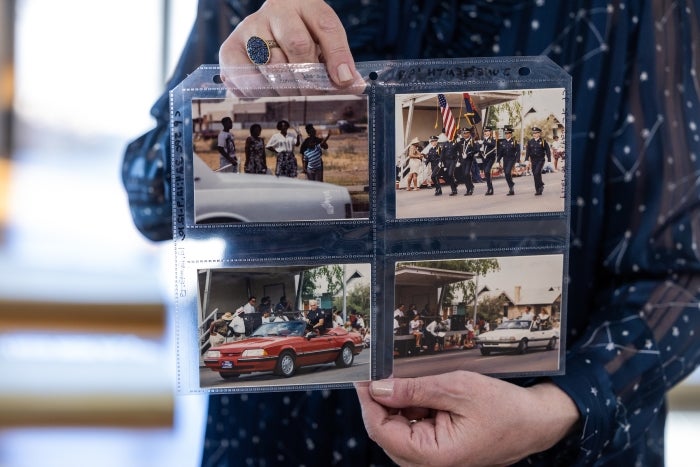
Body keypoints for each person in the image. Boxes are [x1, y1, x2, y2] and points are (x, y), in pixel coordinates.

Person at [122, 1, 700, 465]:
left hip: (551, 445)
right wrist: (227, 105)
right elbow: (147, 195)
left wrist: (556, 411)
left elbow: (683, 273)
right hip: (281, 437)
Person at [524, 126, 552, 196]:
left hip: (540, 160)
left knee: (537, 172)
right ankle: (538, 188)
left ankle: (540, 185)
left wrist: (549, 160)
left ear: (539, 134)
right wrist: (526, 159)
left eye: (536, 133)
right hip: (533, 160)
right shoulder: (530, 142)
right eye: (533, 133)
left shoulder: (543, 141)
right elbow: (528, 151)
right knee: (535, 174)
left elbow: (548, 150)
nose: (534, 134)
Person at [496, 126, 519, 196]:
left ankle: (511, 187)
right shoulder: (502, 143)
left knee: (508, 172)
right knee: (506, 174)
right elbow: (500, 153)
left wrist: (517, 161)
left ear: (510, 134)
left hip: (512, 159)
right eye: (505, 133)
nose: (506, 135)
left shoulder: (514, 142)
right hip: (505, 160)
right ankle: (511, 186)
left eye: (508, 133)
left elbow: (518, 151)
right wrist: (497, 161)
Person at [480, 126, 497, 195]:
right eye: (485, 131)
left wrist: (484, 143)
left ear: (490, 132)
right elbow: (479, 148)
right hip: (484, 158)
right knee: (486, 173)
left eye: (487, 131)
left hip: (491, 158)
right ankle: (490, 189)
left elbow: (493, 145)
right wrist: (479, 147)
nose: (486, 133)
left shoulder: (492, 139)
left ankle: (490, 189)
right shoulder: (483, 139)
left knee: (487, 171)